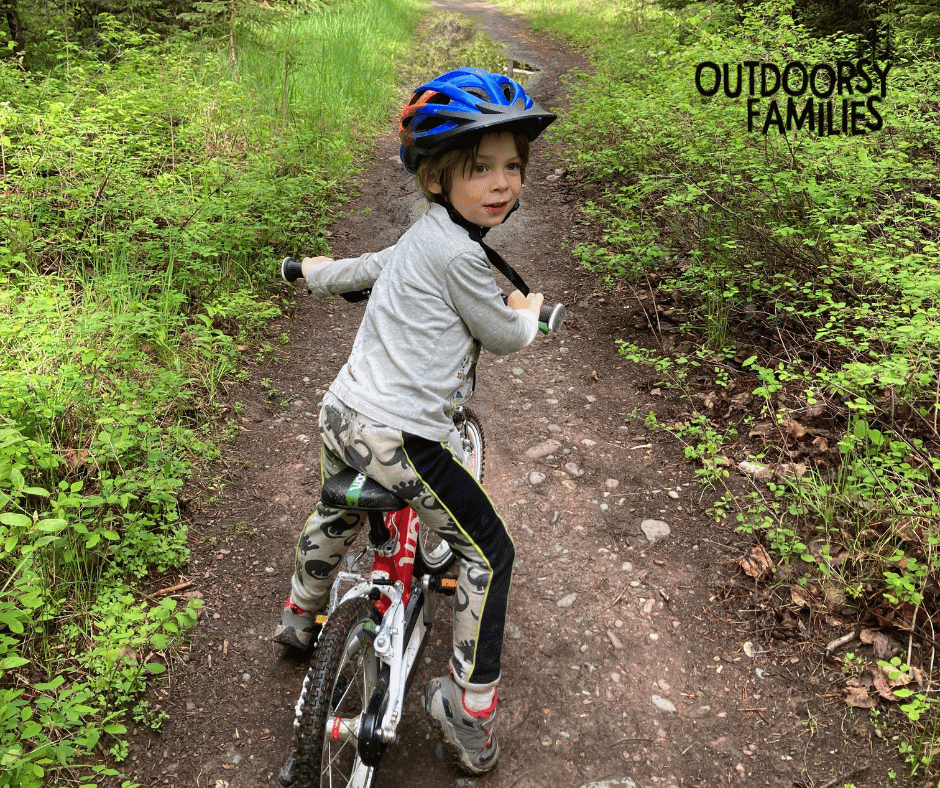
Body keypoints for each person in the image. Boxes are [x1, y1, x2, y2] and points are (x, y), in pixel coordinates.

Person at [273, 67, 556, 775]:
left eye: (512, 167)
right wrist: (528, 318)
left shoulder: (420, 237)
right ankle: (469, 709)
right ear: (436, 180)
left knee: (338, 505)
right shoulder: (460, 256)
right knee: (490, 551)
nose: (501, 184)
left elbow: (361, 268)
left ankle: (301, 612)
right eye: (480, 168)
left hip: (341, 415)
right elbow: (498, 334)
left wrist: (311, 272)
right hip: (404, 435)